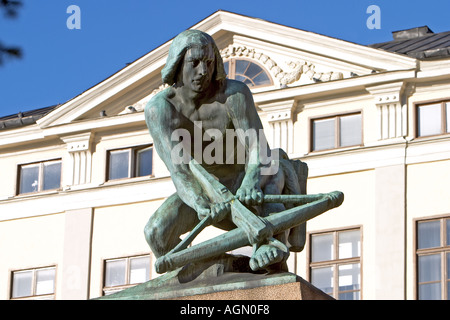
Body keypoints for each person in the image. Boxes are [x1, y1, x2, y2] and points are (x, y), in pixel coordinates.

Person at [144, 30, 303, 272]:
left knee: (273, 171)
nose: (203, 71)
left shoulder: (234, 94)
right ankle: (208, 269)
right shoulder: (160, 109)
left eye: (208, 63)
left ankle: (272, 250)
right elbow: (180, 170)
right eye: (194, 63)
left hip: (248, 177)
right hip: (204, 188)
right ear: (177, 64)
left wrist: (251, 182)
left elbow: (257, 148)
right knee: (156, 233)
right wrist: (200, 203)